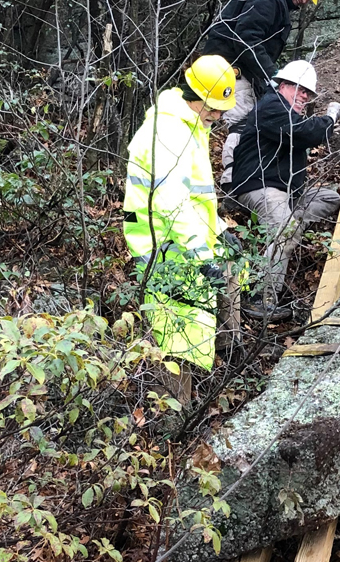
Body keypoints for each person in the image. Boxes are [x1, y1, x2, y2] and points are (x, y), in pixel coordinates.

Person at [123, 55, 242, 397]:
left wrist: (220, 232)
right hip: (161, 245)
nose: (218, 117)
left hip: (188, 236)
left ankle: (227, 362)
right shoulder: (169, 132)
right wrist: (204, 257)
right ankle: (174, 419)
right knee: (178, 334)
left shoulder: (190, 124)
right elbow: (170, 203)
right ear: (195, 94)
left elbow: (196, 197)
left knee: (235, 272)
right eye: (214, 108)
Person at [230, 60, 340, 319]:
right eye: (301, 90)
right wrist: (330, 117)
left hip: (284, 190)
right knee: (286, 229)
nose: (305, 97)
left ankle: (284, 231)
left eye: (308, 93)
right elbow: (304, 132)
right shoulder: (272, 106)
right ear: (284, 85)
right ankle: (260, 297)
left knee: (329, 197)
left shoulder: (284, 110)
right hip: (260, 184)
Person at [203, 0, 318, 185]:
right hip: (230, 69)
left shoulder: (277, 6)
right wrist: (271, 73)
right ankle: (232, 183)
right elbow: (246, 38)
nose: (305, 2)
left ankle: (245, 180)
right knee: (242, 124)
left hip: (239, 68)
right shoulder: (269, 2)